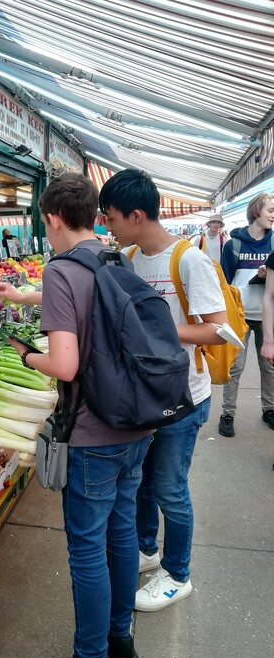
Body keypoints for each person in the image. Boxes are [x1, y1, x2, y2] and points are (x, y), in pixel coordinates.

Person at [6, 173, 153, 658]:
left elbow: (65, 365)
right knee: (120, 537)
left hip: (92, 435)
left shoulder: (61, 271)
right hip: (136, 426)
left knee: (88, 553)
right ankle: (120, 641)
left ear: (50, 218)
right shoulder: (115, 259)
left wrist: (28, 354)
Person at [98, 169, 227, 612]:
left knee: (170, 487)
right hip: (146, 396)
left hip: (185, 397)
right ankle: (147, 549)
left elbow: (219, 332)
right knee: (143, 486)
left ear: (136, 215)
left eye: (111, 218)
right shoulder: (128, 256)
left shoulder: (189, 261)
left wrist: (157, 331)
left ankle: (178, 573)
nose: (107, 226)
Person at [218, 192, 274, 437]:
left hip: (268, 316)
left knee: (269, 367)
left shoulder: (273, 244)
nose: (273, 215)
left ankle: (269, 410)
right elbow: (224, 282)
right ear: (256, 212)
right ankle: (227, 414)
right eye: (270, 210)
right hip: (239, 316)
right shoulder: (234, 245)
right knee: (235, 367)